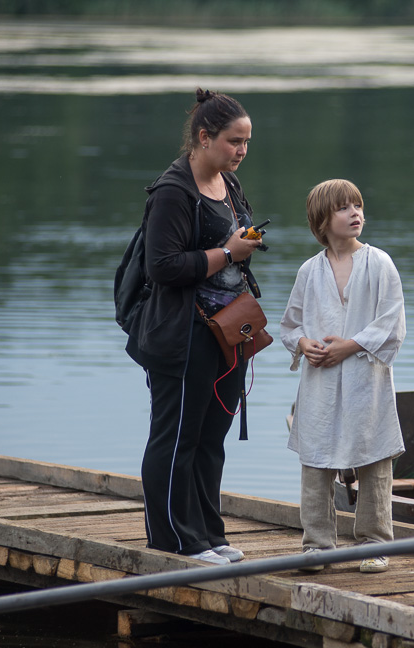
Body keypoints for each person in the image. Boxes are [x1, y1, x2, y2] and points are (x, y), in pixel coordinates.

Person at [125, 89, 263, 565]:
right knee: (176, 438)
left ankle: (208, 534)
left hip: (226, 333)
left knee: (210, 439)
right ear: (204, 138)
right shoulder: (173, 191)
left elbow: (230, 241)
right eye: (234, 141)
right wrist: (227, 253)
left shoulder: (228, 182)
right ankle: (173, 540)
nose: (242, 150)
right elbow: (162, 267)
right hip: (181, 336)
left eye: (246, 141)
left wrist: (244, 243)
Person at [280, 179, 407, 575]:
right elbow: (289, 324)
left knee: (373, 458)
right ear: (322, 220)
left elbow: (392, 323)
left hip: (365, 377)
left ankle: (373, 541)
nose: (355, 213)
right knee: (316, 461)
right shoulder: (309, 270)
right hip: (319, 381)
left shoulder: (379, 263)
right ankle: (317, 544)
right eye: (344, 208)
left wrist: (349, 345)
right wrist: (304, 343)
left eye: (358, 205)